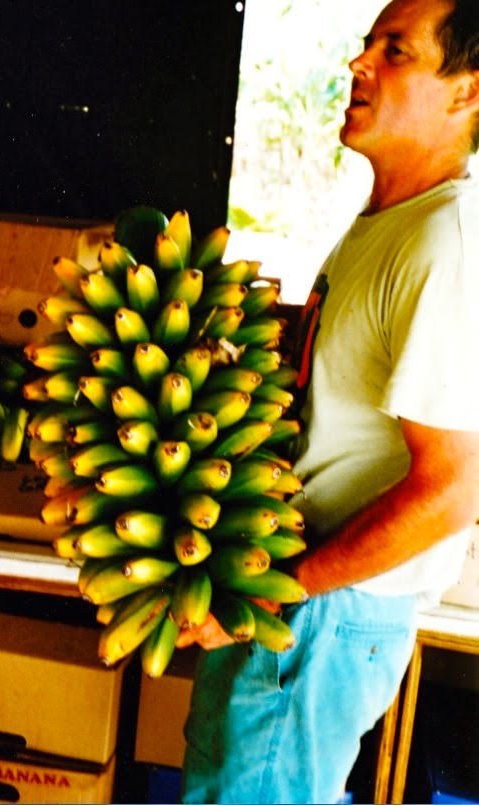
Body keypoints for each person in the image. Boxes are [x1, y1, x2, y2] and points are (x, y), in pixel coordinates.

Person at [177, 1, 479, 802]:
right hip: (300, 597)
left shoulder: (444, 244)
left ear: (466, 93)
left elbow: (452, 490)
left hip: (322, 614)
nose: (358, 65)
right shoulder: (386, 223)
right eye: (364, 45)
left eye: (396, 51)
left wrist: (284, 588)